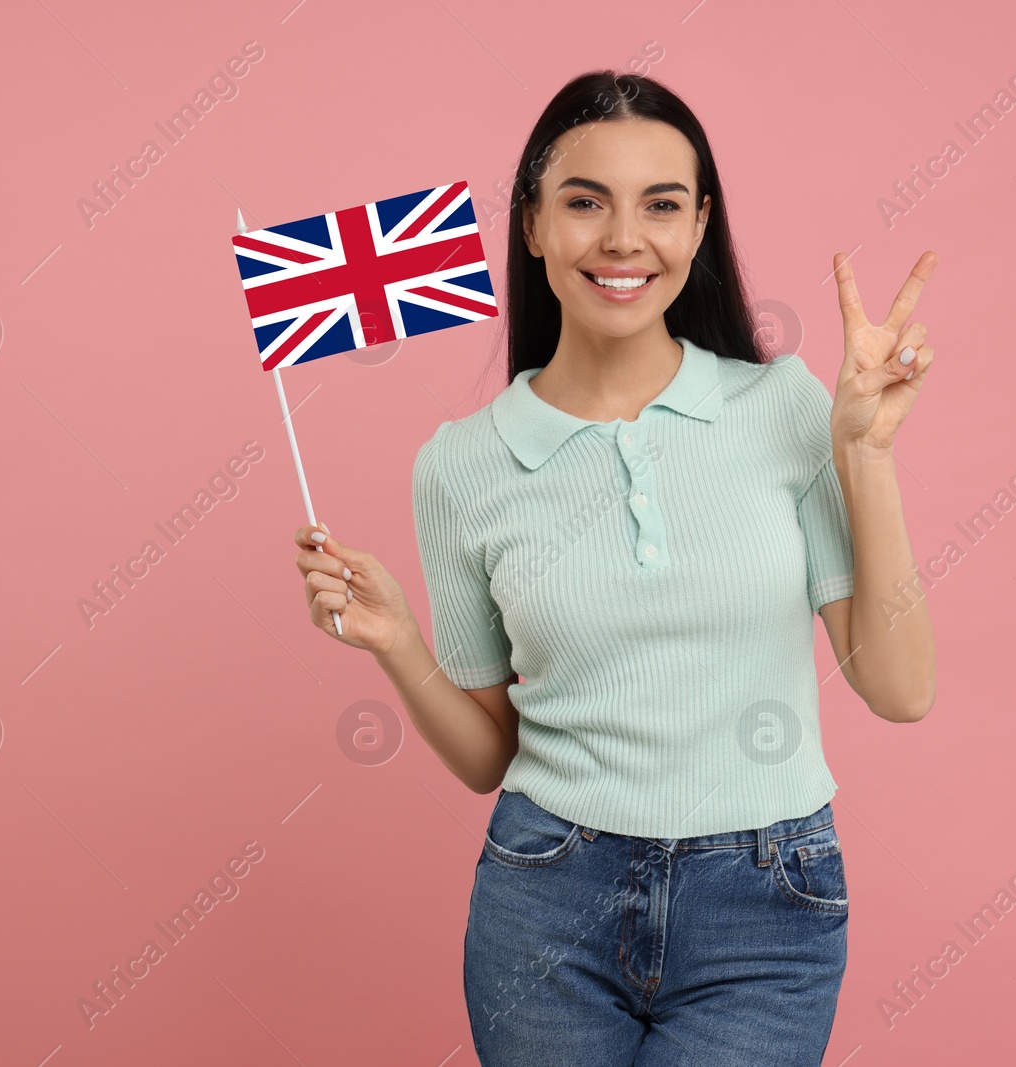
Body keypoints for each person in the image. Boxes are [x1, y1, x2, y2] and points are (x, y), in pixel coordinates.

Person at [292, 69, 937, 1067]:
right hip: (547, 898)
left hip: (765, 905)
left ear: (700, 226)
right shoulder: (460, 464)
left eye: (661, 205)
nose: (623, 238)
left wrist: (867, 452)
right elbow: (483, 757)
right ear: (534, 224)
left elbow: (899, 689)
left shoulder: (784, 407)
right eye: (585, 202)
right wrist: (397, 643)